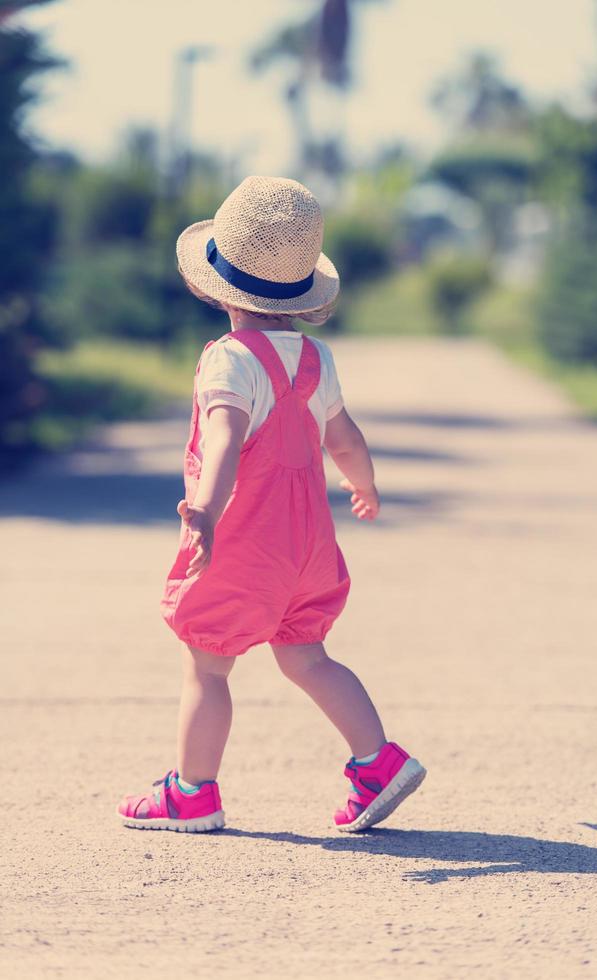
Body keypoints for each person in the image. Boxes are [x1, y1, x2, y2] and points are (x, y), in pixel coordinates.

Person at [116, 176, 426, 834]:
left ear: (213, 285)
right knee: (307, 656)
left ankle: (191, 793)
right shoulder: (315, 358)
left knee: (207, 664)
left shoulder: (229, 360)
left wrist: (202, 509)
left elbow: (224, 440)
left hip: (244, 543)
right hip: (308, 545)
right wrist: (364, 484)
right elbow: (345, 438)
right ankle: (378, 760)